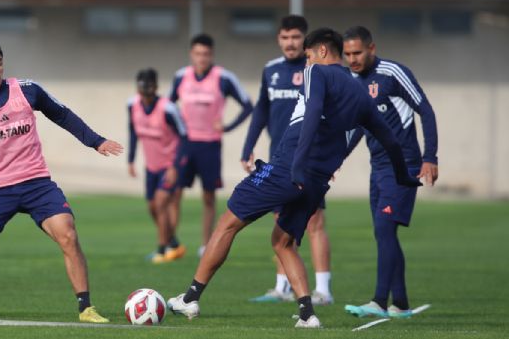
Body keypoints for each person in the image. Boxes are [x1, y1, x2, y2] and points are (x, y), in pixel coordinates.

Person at [166, 28, 421, 328]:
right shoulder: (361, 94)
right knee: (282, 242)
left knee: (227, 223)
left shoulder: (317, 73)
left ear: (322, 52)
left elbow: (312, 112)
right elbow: (389, 139)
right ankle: (307, 315)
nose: (306, 63)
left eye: (309, 56)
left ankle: (191, 298)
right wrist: (404, 175)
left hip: (289, 169)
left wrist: (296, 165)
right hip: (316, 182)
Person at [0, 39, 123, 323]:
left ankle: (86, 308)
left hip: (36, 183)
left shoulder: (27, 90)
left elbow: (62, 115)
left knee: (68, 233)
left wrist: (95, 141)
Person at [342, 26, 438, 319]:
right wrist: (336, 161)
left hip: (404, 165)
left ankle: (379, 302)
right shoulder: (351, 81)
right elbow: (359, 127)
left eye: (357, 53)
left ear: (371, 48)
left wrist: (429, 157)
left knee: (385, 229)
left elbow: (426, 110)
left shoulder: (393, 72)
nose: (352, 59)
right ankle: (402, 304)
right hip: (378, 167)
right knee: (384, 233)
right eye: (347, 54)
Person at [242, 15, 333, 305]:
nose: (290, 43)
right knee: (280, 223)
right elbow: (261, 111)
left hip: (310, 161)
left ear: (305, 39)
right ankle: (281, 288)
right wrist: (248, 147)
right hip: (279, 159)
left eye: (295, 37)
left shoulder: (316, 72)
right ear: (279, 39)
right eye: (285, 37)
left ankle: (323, 290)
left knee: (314, 222)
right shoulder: (271, 71)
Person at [169, 34, 253, 257]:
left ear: (212, 55)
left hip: (210, 145)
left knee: (208, 196)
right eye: (197, 53)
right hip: (186, 143)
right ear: (191, 54)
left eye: (206, 54)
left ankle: (205, 245)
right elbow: (166, 107)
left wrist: (226, 126)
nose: (201, 58)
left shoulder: (224, 78)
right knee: (175, 192)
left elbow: (247, 105)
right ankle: (172, 244)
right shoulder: (181, 77)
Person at [127, 68, 187, 263]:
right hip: (151, 167)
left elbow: (184, 136)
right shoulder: (132, 105)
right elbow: (133, 131)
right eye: (142, 87)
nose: (146, 92)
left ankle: (161, 250)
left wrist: (175, 166)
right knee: (152, 207)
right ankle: (174, 244)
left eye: (149, 87)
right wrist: (131, 159)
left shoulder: (168, 108)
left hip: (169, 165)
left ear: (156, 87)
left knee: (161, 202)